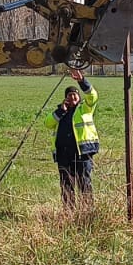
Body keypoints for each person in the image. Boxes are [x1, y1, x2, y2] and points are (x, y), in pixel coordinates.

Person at [50, 68, 99, 206]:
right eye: (69, 95)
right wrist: (61, 110)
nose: (72, 98)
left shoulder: (85, 108)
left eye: (75, 95)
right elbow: (48, 123)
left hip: (82, 153)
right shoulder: (60, 112)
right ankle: (69, 214)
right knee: (66, 186)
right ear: (65, 98)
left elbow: (93, 96)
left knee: (85, 184)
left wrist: (82, 81)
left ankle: (87, 213)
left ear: (79, 97)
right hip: (64, 155)